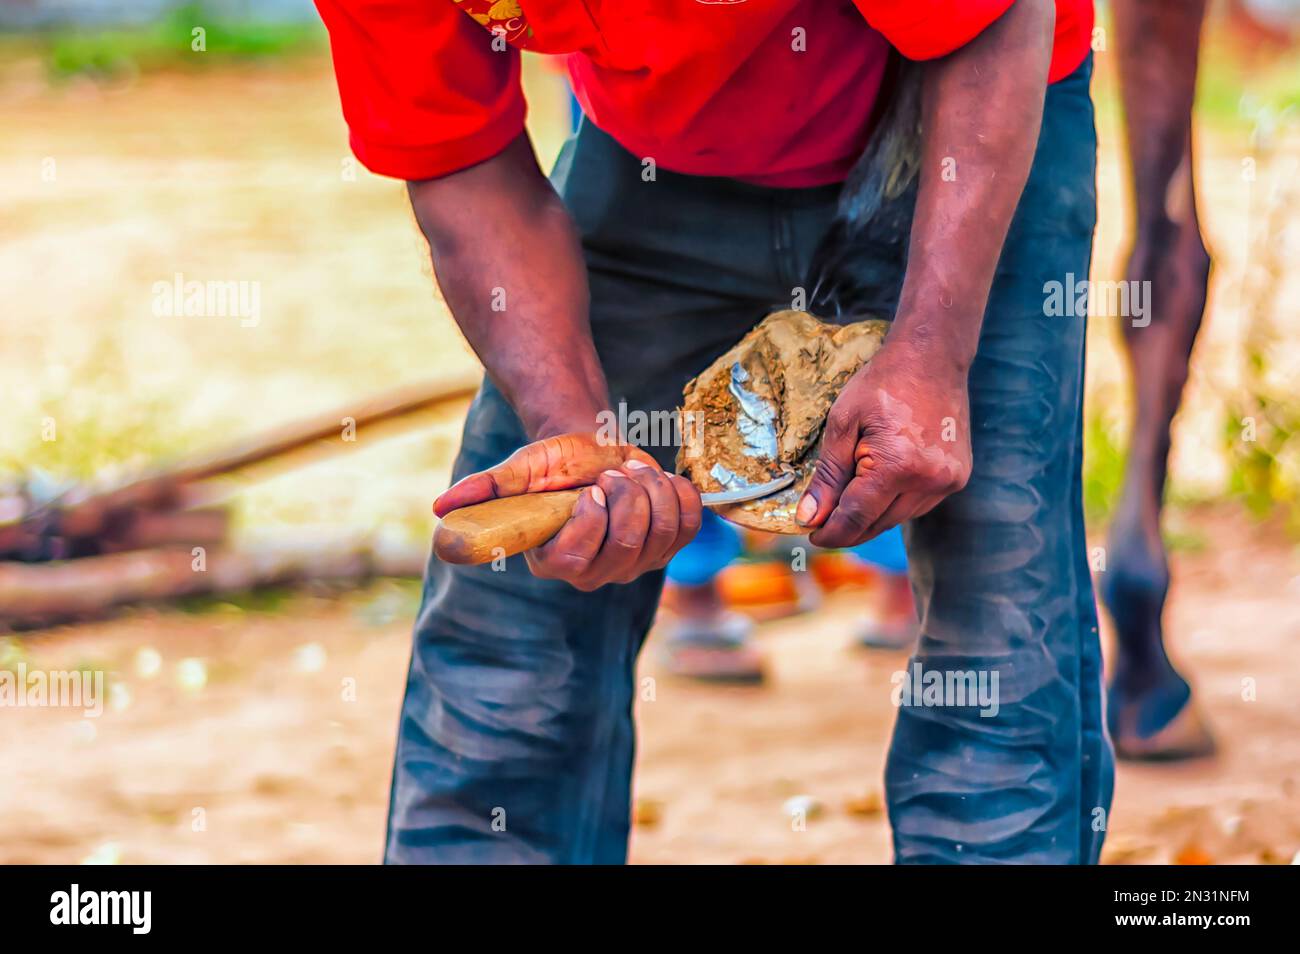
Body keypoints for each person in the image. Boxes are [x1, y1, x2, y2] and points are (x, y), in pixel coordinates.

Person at [314, 0, 1113, 864]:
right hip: (655, 152)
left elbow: (990, 19)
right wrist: (574, 432)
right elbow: (460, 155)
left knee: (996, 644)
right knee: (510, 653)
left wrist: (932, 352)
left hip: (961, 109)